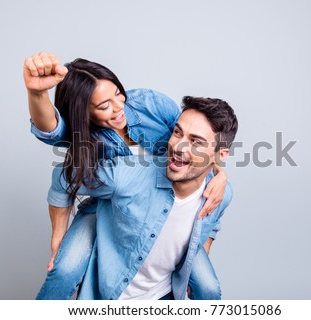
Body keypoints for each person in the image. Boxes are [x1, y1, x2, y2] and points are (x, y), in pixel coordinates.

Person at [23, 52, 228, 299]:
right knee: (64, 269)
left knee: (208, 288)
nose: (119, 107)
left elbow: (194, 137)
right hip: (105, 207)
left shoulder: (152, 104)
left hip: (159, 205)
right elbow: (51, 130)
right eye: (103, 105)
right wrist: (36, 94)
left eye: (118, 94)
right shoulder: (83, 133)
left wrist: (220, 172)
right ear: (83, 113)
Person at [48, 96, 238, 299]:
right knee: (65, 270)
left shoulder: (221, 193)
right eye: (177, 132)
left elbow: (213, 222)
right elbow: (64, 176)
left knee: (209, 290)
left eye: (195, 141)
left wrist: (194, 260)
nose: (178, 146)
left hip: (165, 296)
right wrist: (58, 234)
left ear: (221, 154)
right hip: (111, 294)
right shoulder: (129, 173)